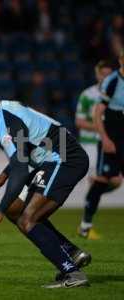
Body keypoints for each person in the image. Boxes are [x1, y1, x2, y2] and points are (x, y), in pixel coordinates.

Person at [0, 79, 90, 288]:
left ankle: (73, 274)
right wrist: (2, 177)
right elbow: (24, 152)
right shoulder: (8, 107)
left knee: (27, 220)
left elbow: (21, 170)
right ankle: (71, 253)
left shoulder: (5, 121)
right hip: (58, 158)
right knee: (17, 210)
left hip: (64, 160)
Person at [76, 60, 121, 239]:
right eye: (103, 74)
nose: (106, 77)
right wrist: (101, 127)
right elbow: (79, 122)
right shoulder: (88, 94)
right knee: (101, 180)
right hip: (91, 144)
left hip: (109, 142)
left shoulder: (117, 91)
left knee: (116, 181)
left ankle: (90, 201)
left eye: (109, 74)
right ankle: (86, 225)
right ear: (97, 74)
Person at [93, 49, 124, 221]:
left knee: (115, 181)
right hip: (109, 138)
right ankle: (86, 224)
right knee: (105, 180)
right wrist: (105, 138)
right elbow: (97, 114)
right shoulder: (111, 83)